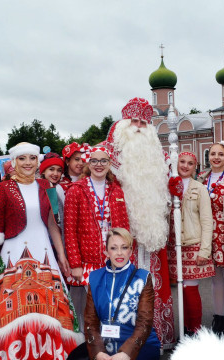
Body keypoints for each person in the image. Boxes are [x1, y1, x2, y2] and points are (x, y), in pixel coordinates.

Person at [0, 142, 83, 359]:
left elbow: (52, 223)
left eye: (32, 158)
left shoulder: (46, 186)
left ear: (38, 161)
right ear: (14, 161)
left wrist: (62, 256)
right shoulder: (2, 188)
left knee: (51, 308)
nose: (28, 163)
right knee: (15, 311)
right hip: (13, 254)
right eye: (22, 158)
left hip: (44, 251)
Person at [102, 97, 175, 349]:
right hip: (121, 232)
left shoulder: (161, 156)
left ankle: (155, 338)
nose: (138, 127)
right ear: (123, 124)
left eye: (144, 122)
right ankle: (122, 340)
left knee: (153, 283)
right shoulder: (109, 154)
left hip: (151, 231)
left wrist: (175, 187)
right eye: (133, 121)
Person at [64, 146, 129, 331]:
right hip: (87, 260)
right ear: (88, 163)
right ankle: (90, 346)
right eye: (94, 161)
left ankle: (109, 346)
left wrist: (125, 258)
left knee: (111, 306)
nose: (98, 165)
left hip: (112, 258)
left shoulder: (116, 191)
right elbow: (69, 230)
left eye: (103, 161)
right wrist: (75, 263)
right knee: (91, 308)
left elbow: (124, 228)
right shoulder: (76, 190)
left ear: (109, 164)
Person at [84, 228, 161, 360]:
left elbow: (145, 323)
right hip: (105, 344)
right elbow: (90, 321)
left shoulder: (142, 278)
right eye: (113, 248)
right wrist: (98, 353)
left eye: (124, 247)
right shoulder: (95, 277)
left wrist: (126, 353)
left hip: (139, 344)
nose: (119, 253)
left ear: (130, 251)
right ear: (106, 252)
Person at [166, 152, 214, 336]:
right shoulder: (168, 187)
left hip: (193, 245)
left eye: (190, 163)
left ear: (196, 167)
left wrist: (205, 250)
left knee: (190, 289)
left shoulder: (199, 188)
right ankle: (185, 327)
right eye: (182, 162)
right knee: (181, 290)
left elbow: (207, 220)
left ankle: (195, 330)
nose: (185, 166)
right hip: (174, 247)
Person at [198, 141, 224, 339]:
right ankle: (218, 317)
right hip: (208, 234)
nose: (216, 157)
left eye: (220, 154)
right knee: (215, 279)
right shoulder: (201, 178)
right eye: (212, 154)